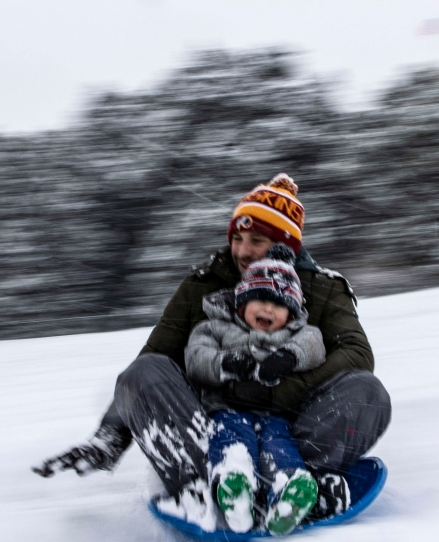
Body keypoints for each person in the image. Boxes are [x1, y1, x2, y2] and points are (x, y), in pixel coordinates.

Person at [34, 174, 391, 530]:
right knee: (144, 372)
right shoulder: (203, 285)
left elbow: (357, 355)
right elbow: (153, 362)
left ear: (286, 245)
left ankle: (297, 485)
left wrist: (277, 390)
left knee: (367, 392)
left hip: (292, 425)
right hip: (214, 427)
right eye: (236, 238)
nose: (242, 251)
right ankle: (206, 487)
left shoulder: (325, 290)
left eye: (257, 240)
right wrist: (110, 437)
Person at [186, 242, 325, 534]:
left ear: (291, 313)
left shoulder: (296, 332)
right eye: (260, 300)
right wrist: (225, 363)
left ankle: (289, 489)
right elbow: (196, 356)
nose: (268, 309)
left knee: (279, 444)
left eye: (279, 305)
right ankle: (234, 484)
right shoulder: (217, 327)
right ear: (241, 302)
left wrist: (289, 356)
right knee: (231, 437)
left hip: (276, 413)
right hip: (226, 407)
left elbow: (314, 344)